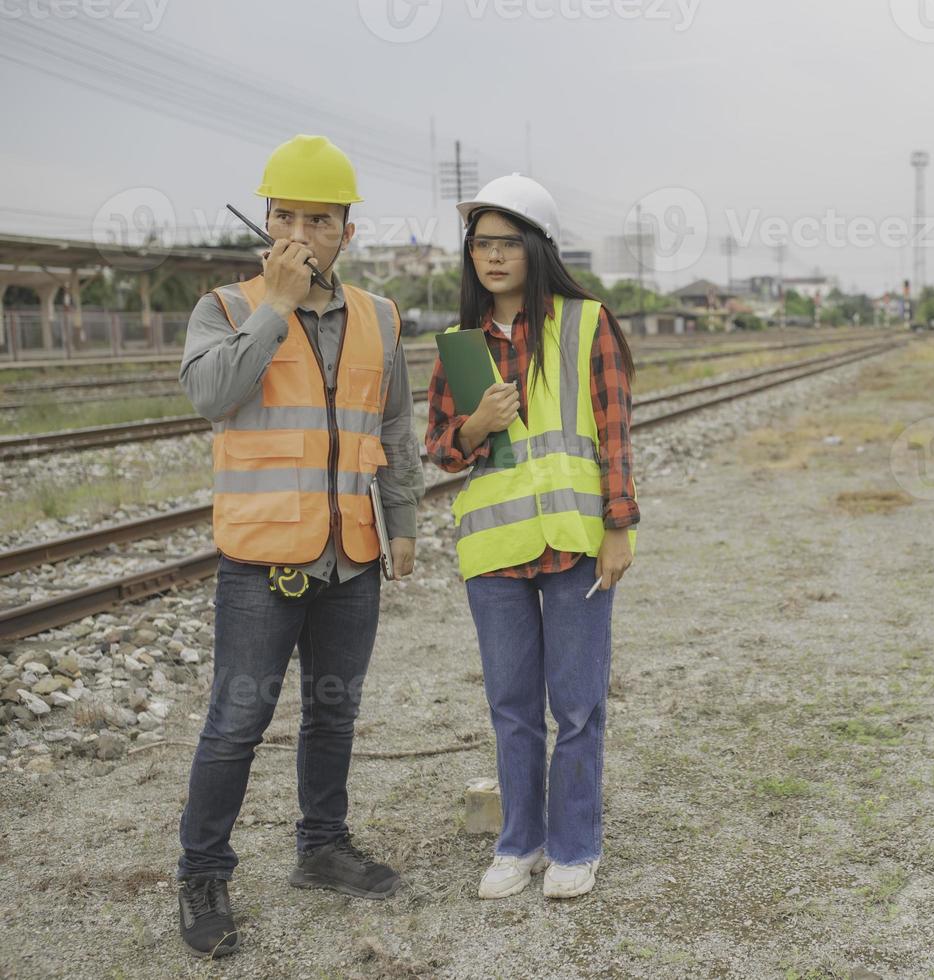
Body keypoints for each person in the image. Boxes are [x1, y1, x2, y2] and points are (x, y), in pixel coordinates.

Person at [173, 134, 424, 958]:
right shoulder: (227, 308)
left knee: (333, 712)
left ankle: (322, 847)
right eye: (287, 215)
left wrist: (405, 524)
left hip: (350, 553)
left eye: (320, 219)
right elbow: (212, 395)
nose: (301, 232)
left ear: (345, 231)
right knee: (236, 723)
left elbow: (393, 426)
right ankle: (203, 874)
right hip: (260, 561)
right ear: (268, 220)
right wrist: (276, 307)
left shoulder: (380, 317)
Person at [424, 173, 638, 900]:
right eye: (481, 243)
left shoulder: (583, 323)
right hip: (494, 553)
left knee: (576, 705)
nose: (492, 256)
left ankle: (576, 845)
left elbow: (613, 433)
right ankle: (520, 842)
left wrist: (620, 527)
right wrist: (476, 425)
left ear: (536, 248)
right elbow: (440, 449)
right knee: (511, 707)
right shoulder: (459, 347)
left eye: (507, 242)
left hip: (576, 542)